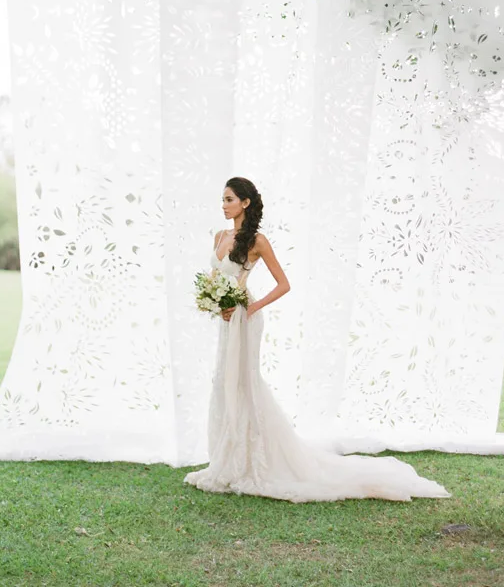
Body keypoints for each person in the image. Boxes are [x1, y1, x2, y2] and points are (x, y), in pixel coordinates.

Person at [184, 176, 451, 503]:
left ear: (245, 203)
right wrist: (213, 303)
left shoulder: (257, 241)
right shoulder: (220, 236)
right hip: (226, 320)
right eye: (222, 200)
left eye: (228, 199)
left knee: (244, 383)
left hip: (244, 318)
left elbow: (284, 284)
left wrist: (250, 307)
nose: (223, 205)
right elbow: (215, 278)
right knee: (223, 381)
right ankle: (226, 459)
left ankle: (254, 461)